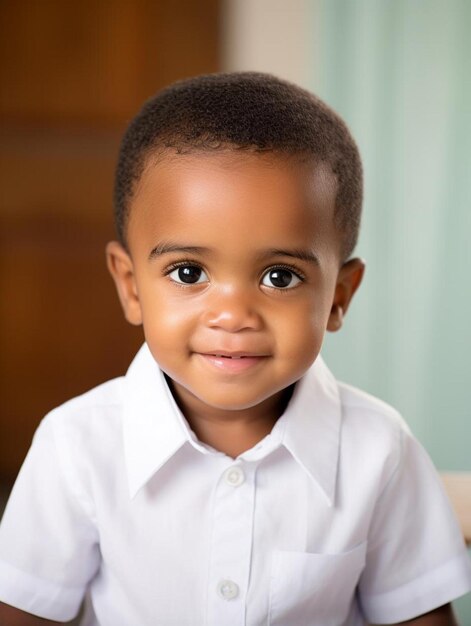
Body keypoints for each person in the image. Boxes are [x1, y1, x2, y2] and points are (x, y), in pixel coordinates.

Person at [0, 72, 470, 626]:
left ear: (339, 297)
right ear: (130, 286)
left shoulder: (379, 451)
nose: (233, 315)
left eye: (279, 277)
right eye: (188, 271)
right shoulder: (77, 446)